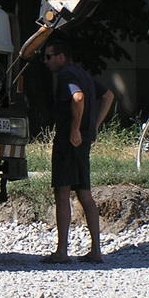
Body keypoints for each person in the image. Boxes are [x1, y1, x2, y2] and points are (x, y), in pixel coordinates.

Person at [41, 40, 115, 265]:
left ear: (61, 57)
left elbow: (78, 97)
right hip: (84, 143)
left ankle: (62, 252)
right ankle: (96, 251)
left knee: (62, 195)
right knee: (85, 194)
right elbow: (109, 95)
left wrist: (74, 129)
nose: (46, 62)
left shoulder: (66, 75)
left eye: (48, 57)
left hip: (68, 141)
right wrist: (93, 126)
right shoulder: (82, 73)